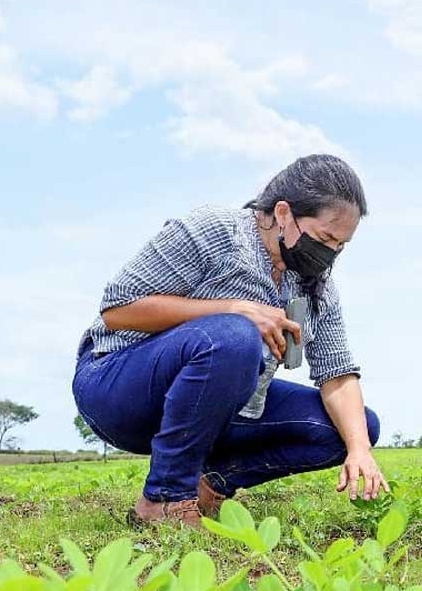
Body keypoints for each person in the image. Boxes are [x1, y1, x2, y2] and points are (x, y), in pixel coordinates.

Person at [73, 154, 387, 527]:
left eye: (341, 245)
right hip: (117, 385)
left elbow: (337, 374)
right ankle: (165, 499)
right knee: (235, 336)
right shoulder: (217, 232)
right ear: (283, 213)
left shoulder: (316, 285)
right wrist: (235, 309)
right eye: (324, 238)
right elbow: (118, 309)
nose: (330, 253)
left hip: (221, 411)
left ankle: (211, 483)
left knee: (357, 428)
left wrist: (359, 450)